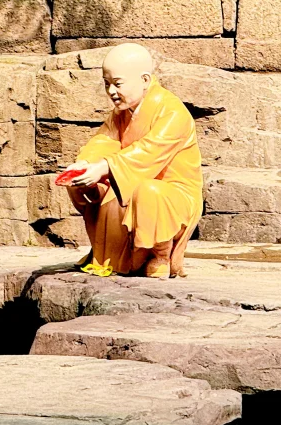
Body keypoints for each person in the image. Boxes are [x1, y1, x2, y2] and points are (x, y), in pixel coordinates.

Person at [61, 43, 203, 279]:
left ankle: (160, 255)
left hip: (173, 194)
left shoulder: (172, 112)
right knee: (83, 184)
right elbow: (103, 142)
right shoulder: (121, 113)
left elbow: (148, 153)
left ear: (145, 80)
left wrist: (104, 167)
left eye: (118, 84)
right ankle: (106, 253)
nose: (111, 92)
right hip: (129, 185)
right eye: (106, 84)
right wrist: (86, 165)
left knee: (148, 191)